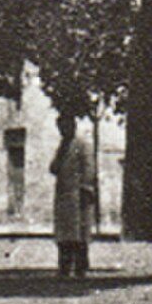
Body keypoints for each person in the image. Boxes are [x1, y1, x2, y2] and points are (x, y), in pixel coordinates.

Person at [50, 115, 99, 278]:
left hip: (78, 194)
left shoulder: (82, 145)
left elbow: (89, 167)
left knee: (79, 233)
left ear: (73, 126)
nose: (64, 130)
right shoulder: (62, 146)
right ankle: (64, 266)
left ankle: (80, 267)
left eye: (67, 126)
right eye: (61, 127)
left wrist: (86, 187)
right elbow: (54, 167)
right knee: (64, 233)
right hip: (63, 194)